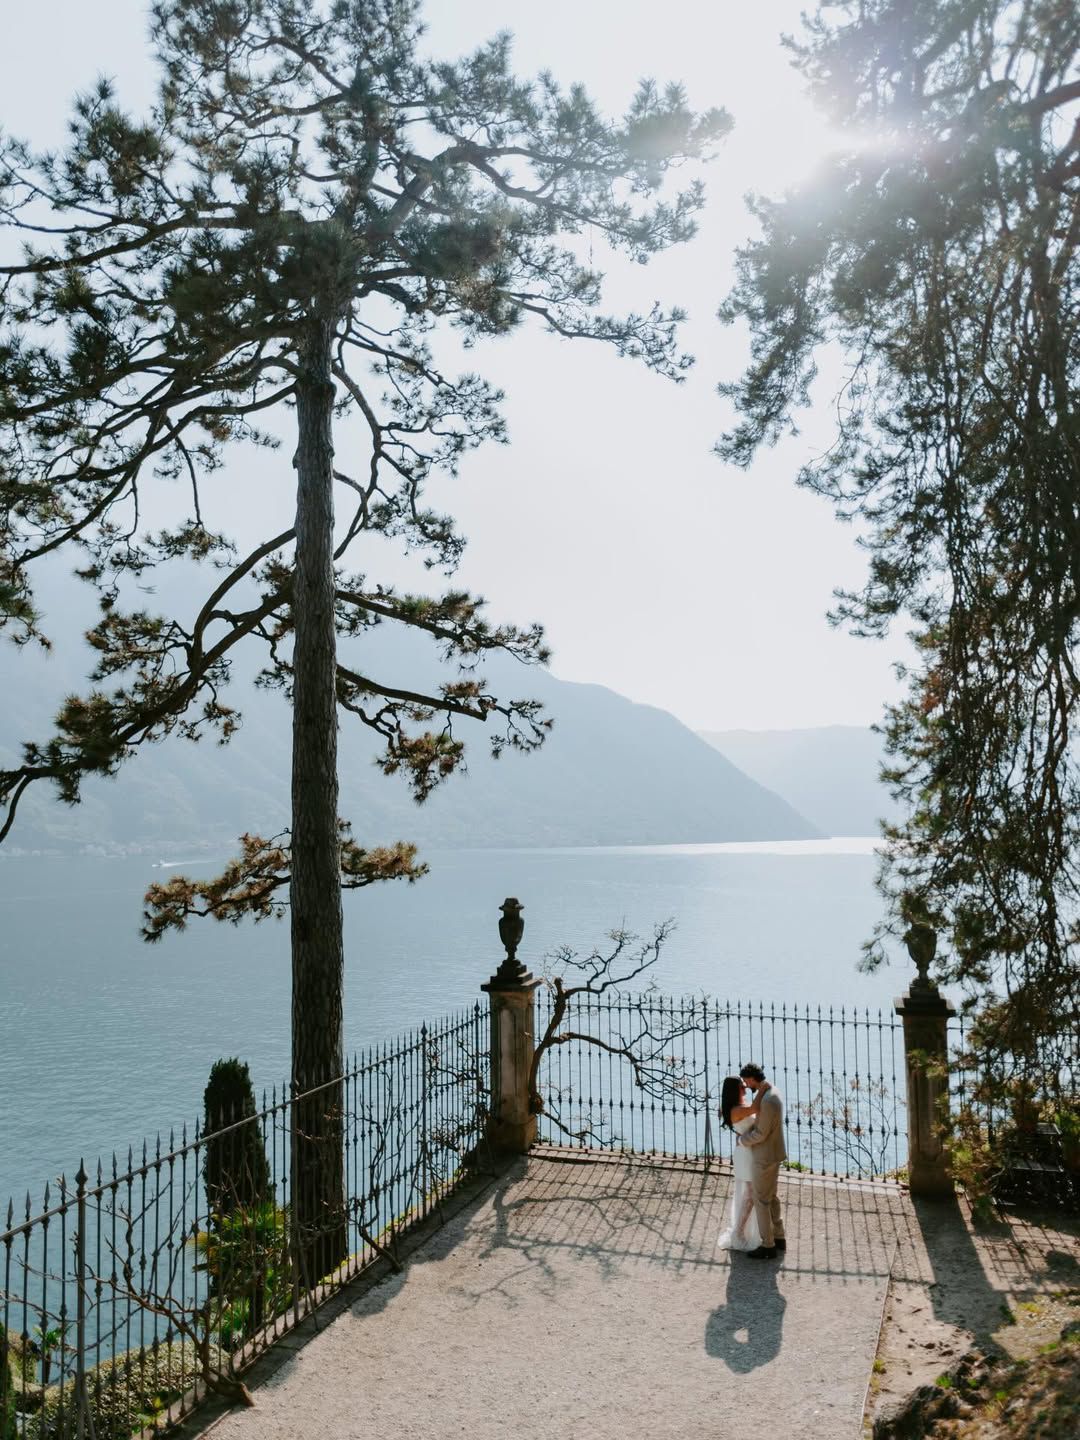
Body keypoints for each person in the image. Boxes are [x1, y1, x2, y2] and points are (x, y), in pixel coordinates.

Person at [737, 1062, 787, 1259]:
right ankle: (779, 1236)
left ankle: (768, 1245)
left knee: (761, 1199)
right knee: (772, 1196)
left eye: (746, 1081)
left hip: (764, 1156)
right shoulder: (773, 1091)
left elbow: (761, 1133)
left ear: (752, 1078)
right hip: (774, 1153)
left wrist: (742, 1140)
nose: (746, 1085)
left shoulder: (767, 1100)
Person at [715, 1074, 768, 1252]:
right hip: (745, 1154)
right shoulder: (737, 1110)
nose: (745, 1088)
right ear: (734, 1090)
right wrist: (763, 1088)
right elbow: (755, 1107)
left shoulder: (736, 1107)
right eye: (742, 1086)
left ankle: (743, 1230)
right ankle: (738, 1231)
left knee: (750, 1193)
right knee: (751, 1193)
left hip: (748, 1150)